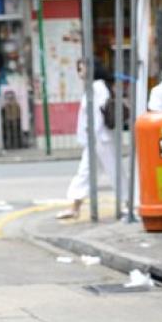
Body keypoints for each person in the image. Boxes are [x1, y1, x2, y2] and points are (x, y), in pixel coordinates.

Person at [57, 59, 126, 220]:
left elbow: (97, 114)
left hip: (101, 138)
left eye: (82, 69)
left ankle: (128, 203)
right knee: (86, 172)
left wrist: (92, 134)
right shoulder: (96, 87)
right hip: (96, 139)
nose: (80, 73)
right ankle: (75, 207)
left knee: (112, 170)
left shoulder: (98, 87)